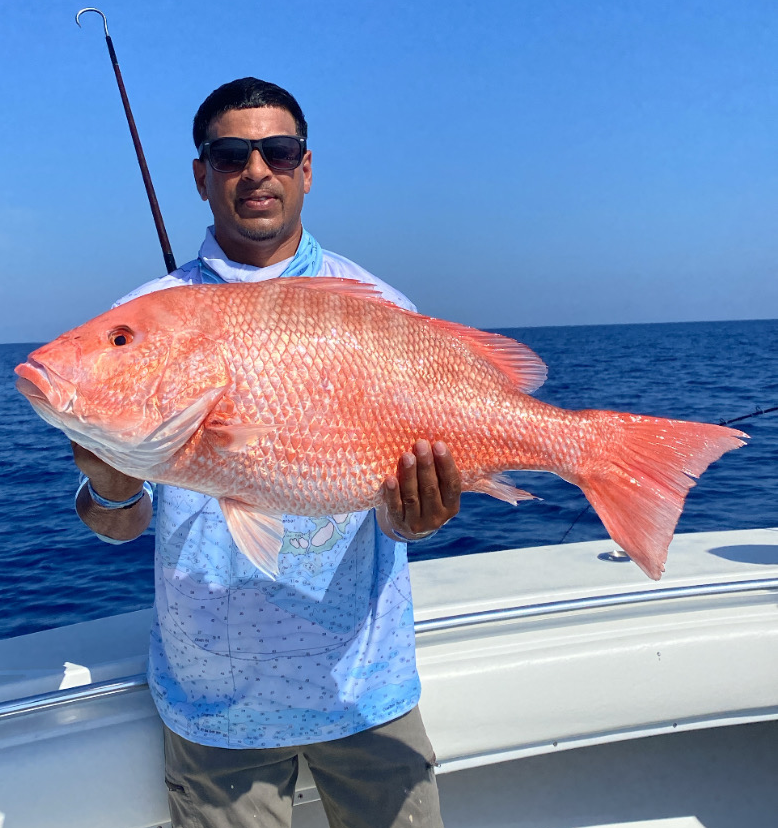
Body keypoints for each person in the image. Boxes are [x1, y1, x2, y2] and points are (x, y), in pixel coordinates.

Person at [73, 77, 461, 828]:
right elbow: (118, 523)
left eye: (277, 151)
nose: (256, 170)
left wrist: (424, 515)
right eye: (230, 155)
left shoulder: (376, 304)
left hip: (364, 692)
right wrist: (113, 486)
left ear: (305, 169)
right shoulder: (148, 315)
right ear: (201, 175)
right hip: (212, 710)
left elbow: (407, 525)